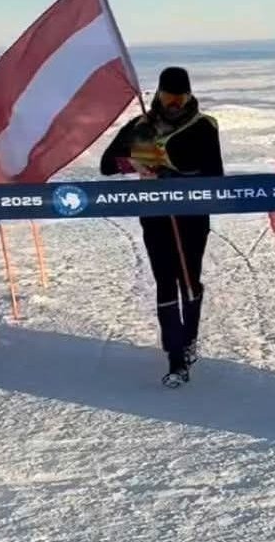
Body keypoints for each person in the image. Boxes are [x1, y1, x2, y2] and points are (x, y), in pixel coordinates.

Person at [100, 67, 224, 388]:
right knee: (165, 282)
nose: (173, 103)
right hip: (155, 217)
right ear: (159, 94)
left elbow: (216, 175)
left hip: (192, 216)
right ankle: (175, 357)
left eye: (179, 97)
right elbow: (106, 164)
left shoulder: (203, 127)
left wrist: (174, 173)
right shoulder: (141, 126)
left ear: (188, 95)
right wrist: (134, 163)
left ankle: (190, 337)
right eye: (168, 97)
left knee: (188, 280)